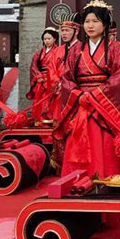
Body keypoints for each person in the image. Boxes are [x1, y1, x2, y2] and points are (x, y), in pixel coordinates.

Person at [59, 0, 120, 178]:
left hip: (103, 108)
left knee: (103, 145)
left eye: (95, 21)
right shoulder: (75, 50)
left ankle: (106, 179)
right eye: (87, 21)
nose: (90, 26)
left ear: (105, 24)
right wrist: (78, 95)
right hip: (81, 103)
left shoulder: (115, 49)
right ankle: (78, 180)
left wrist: (95, 95)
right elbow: (67, 78)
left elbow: (119, 79)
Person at [45, 12, 81, 170]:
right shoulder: (57, 51)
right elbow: (51, 69)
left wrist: (68, 85)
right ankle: (61, 164)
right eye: (62, 31)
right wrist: (56, 83)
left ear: (76, 31)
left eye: (67, 30)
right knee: (59, 128)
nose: (64, 33)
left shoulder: (82, 49)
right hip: (59, 96)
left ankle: (76, 163)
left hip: (75, 96)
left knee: (74, 129)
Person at [26, 27, 59, 122]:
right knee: (40, 98)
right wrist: (38, 75)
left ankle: (51, 118)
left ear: (55, 39)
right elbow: (34, 65)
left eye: (49, 39)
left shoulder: (58, 51)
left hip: (52, 79)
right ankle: (39, 119)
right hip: (41, 79)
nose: (47, 41)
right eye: (45, 39)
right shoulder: (39, 52)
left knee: (52, 99)